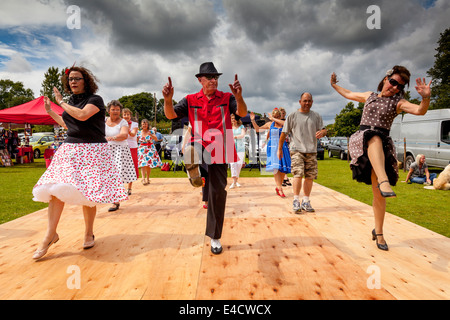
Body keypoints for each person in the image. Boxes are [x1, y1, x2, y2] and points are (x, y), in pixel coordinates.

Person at [330, 66, 431, 250]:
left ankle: (379, 232)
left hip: (381, 149)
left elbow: (420, 111)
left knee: (379, 195)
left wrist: (425, 97)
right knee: (372, 135)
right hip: (362, 142)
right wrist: (334, 85)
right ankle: (384, 180)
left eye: (399, 86)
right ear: (386, 79)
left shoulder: (398, 102)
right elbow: (349, 93)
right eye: (393, 82)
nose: (394, 87)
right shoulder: (370, 95)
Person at [32, 65, 127, 260]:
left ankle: (88, 233)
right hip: (71, 148)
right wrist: (51, 111)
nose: (72, 82)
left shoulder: (95, 100)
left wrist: (60, 102)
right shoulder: (71, 102)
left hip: (93, 149)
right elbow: (69, 124)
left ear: (86, 81)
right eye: (70, 79)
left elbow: (82, 115)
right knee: (55, 189)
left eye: (77, 78)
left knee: (89, 193)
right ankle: (50, 234)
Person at [162, 62, 247, 255]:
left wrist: (239, 97)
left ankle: (215, 236)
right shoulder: (190, 99)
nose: (213, 80)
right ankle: (194, 167)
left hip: (220, 145)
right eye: (209, 77)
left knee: (217, 192)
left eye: (216, 77)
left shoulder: (226, 98)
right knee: (193, 147)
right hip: (199, 141)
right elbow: (170, 115)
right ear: (200, 80)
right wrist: (168, 100)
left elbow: (242, 113)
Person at [277, 93, 327, 213]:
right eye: (305, 101)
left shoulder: (316, 116)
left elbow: (323, 129)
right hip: (297, 150)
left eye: (309, 101)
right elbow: (284, 133)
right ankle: (295, 200)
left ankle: (306, 201)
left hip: (312, 151)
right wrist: (279, 149)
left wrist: (323, 132)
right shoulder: (293, 116)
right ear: (300, 101)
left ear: (312, 102)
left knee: (310, 176)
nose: (307, 103)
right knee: (298, 174)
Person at [105, 100, 137, 212]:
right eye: (113, 109)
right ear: (109, 110)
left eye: (118, 109)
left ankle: (115, 201)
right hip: (106, 151)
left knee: (116, 176)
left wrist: (112, 138)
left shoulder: (123, 122)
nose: (115, 111)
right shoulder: (104, 120)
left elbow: (124, 135)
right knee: (107, 176)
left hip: (120, 151)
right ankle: (110, 197)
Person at [252, 109, 291, 197]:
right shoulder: (270, 124)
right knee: (275, 167)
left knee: (282, 169)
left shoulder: (284, 123)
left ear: (280, 116)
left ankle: (278, 186)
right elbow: (258, 129)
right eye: (275, 116)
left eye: (277, 116)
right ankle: (280, 188)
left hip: (283, 147)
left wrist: (273, 118)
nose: (276, 118)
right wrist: (252, 120)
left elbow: (286, 125)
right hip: (272, 147)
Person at [137, 119, 162, 185]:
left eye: (145, 124)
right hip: (142, 148)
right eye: (143, 124)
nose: (144, 125)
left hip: (150, 148)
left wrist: (151, 135)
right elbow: (136, 141)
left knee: (148, 164)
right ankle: (143, 179)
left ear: (147, 125)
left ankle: (148, 179)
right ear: (141, 125)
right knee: (143, 164)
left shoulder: (151, 131)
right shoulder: (139, 132)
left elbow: (156, 139)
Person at [123, 108, 139, 194]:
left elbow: (133, 134)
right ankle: (121, 187)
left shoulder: (135, 124)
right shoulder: (119, 124)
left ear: (130, 116)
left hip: (132, 147)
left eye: (128, 114)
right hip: (122, 146)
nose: (126, 116)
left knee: (131, 166)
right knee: (121, 166)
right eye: (124, 114)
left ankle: (129, 188)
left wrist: (126, 129)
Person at [230, 114, 246, 189]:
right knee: (233, 164)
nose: (233, 120)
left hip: (240, 148)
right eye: (232, 118)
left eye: (235, 118)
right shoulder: (229, 127)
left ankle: (236, 181)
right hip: (231, 147)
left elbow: (242, 135)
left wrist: (235, 137)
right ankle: (234, 182)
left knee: (239, 165)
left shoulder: (241, 127)